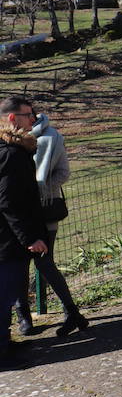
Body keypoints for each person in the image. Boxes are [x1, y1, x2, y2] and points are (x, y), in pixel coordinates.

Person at [13, 107, 86, 337]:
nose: (30, 118)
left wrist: (41, 189)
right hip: (19, 213)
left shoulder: (52, 137)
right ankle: (23, 316)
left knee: (45, 263)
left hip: (46, 209)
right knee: (19, 265)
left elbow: (64, 173)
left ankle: (71, 313)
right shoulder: (12, 142)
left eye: (30, 114)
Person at [0, 97, 50, 370]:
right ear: (12, 119)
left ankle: (5, 342)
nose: (34, 120)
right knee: (4, 295)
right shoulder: (10, 154)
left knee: (6, 295)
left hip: (8, 239)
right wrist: (29, 238)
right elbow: (8, 202)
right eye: (28, 114)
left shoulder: (12, 151)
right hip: (7, 242)